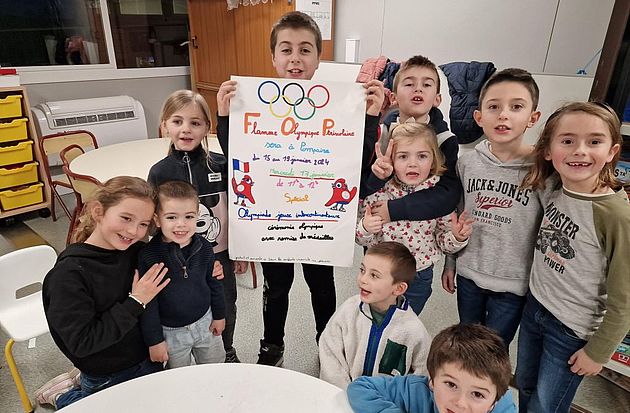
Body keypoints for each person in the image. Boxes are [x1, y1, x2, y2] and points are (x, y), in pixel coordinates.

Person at [216, 11, 385, 366]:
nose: (296, 58)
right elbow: (238, 155)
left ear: (318, 58)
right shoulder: (253, 102)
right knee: (276, 288)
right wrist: (223, 117)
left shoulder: (342, 103)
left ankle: (328, 345)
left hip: (318, 223)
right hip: (272, 220)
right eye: (287, 50)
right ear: (273, 57)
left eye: (305, 49)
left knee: (322, 286)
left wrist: (369, 117)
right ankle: (271, 346)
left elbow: (356, 158)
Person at [516, 102, 630, 412]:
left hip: (571, 329)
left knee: (546, 404)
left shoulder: (615, 214)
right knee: (524, 384)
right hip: (535, 307)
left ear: (611, 151)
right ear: (549, 150)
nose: (580, 150)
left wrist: (598, 353)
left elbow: (625, 297)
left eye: (594, 141)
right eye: (567, 141)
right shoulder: (555, 186)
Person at [37, 176, 170, 409]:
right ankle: (64, 396)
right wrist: (136, 301)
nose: (134, 231)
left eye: (143, 224)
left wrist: (210, 269)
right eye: (126, 218)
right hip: (106, 375)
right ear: (98, 212)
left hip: (149, 358)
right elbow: (82, 342)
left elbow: (174, 267)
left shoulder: (136, 250)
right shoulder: (67, 277)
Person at [441, 68, 543, 348]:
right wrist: (450, 261)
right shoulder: (467, 163)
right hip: (469, 274)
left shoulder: (543, 171)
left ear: (532, 118)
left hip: (513, 284)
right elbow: (457, 214)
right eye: (494, 107)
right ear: (479, 117)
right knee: (467, 345)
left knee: (494, 350)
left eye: (517, 107)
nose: (504, 115)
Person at [148, 89, 245, 363]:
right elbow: (155, 220)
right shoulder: (159, 172)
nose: (186, 129)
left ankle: (226, 349)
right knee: (182, 303)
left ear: (207, 127)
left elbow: (238, 209)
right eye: (177, 121)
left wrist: (240, 250)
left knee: (225, 302)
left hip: (219, 254)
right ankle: (183, 351)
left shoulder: (221, 164)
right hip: (177, 258)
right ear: (164, 125)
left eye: (195, 123)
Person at [356, 123, 472, 314]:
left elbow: (443, 242)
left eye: (422, 156)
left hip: (418, 275)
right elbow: (361, 239)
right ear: (391, 159)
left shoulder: (438, 196)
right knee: (376, 321)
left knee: (406, 323)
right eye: (403, 156)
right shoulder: (378, 193)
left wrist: (457, 237)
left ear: (434, 160)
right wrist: (366, 227)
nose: (413, 163)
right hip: (379, 274)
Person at [365, 54, 462, 231]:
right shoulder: (381, 135)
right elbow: (362, 186)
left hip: (423, 243)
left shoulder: (445, 141)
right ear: (393, 98)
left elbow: (448, 194)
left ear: (437, 99)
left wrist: (393, 210)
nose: (418, 89)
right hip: (380, 239)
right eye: (409, 84)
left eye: (426, 84)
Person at [318, 242, 431, 389]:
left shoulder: (414, 331)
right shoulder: (348, 311)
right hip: (344, 397)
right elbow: (329, 352)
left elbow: (422, 375)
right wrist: (345, 393)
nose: (363, 279)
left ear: (399, 288)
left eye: (374, 275)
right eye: (362, 270)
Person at [138, 180, 226, 368]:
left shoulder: (205, 248)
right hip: (171, 332)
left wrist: (219, 315)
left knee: (216, 367)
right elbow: (148, 303)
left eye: (189, 217)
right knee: (179, 378)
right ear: (157, 220)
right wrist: (154, 341)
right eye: (171, 217)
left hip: (206, 323)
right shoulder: (148, 256)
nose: (181, 225)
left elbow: (215, 284)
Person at [347, 323, 517, 413]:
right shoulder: (415, 390)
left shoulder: (504, 408)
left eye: (478, 394)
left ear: (493, 402)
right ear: (432, 380)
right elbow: (361, 387)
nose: (460, 403)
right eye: (451, 384)